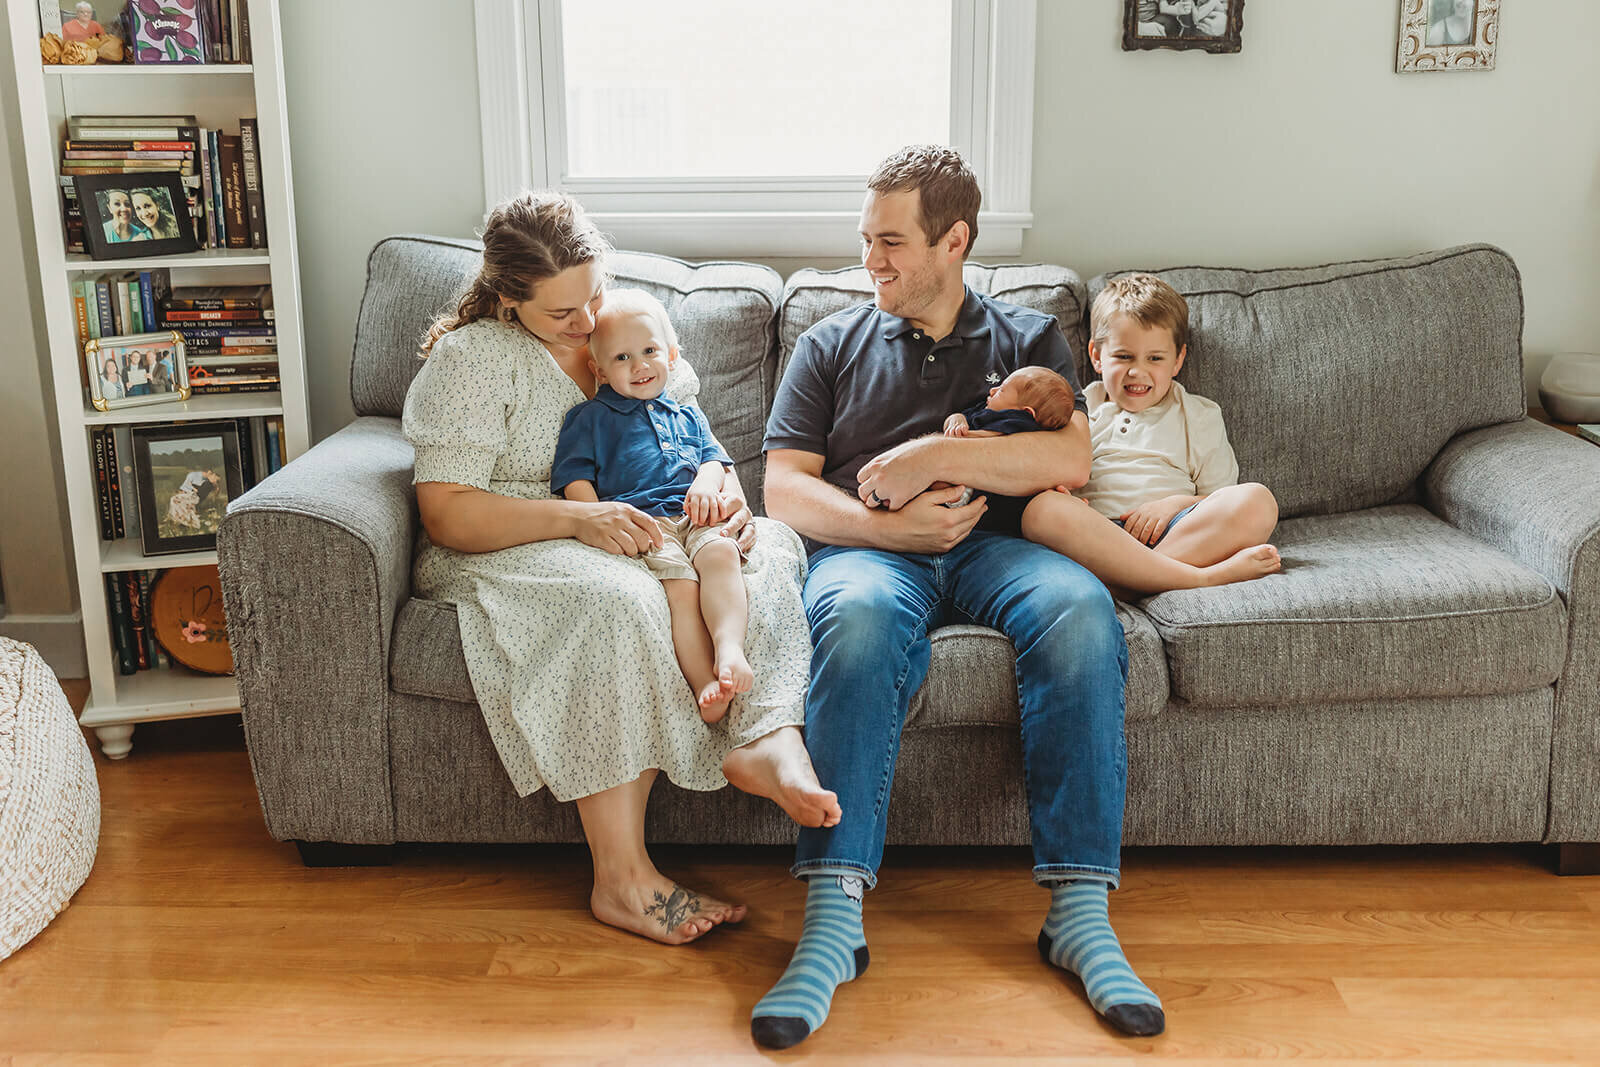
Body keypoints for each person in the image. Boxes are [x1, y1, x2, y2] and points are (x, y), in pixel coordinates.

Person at [755, 144, 1164, 1049]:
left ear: (955, 240)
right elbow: (784, 487)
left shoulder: (1030, 340)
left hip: (1004, 548)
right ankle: (833, 917)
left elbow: (1069, 460)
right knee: (854, 622)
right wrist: (888, 528)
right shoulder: (831, 342)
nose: (872, 261)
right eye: (866, 240)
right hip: (874, 553)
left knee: (1081, 612)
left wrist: (934, 456)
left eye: (891, 242)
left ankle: (1080, 912)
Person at [402, 191, 841, 947]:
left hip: (652, 520)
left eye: (593, 294)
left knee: (766, 550)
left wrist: (725, 495)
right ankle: (622, 878)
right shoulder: (472, 358)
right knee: (622, 603)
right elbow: (447, 513)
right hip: (512, 536)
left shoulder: (629, 328)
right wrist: (578, 516)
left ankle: (761, 733)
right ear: (509, 300)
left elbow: (701, 448)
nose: (587, 323)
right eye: (561, 313)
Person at [552, 290, 756, 724]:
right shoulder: (588, 418)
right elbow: (574, 479)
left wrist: (705, 484)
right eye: (622, 357)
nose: (640, 365)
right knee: (681, 590)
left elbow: (715, 460)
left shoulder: (687, 414)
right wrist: (597, 526)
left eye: (649, 351)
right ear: (599, 371)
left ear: (672, 355)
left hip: (696, 513)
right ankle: (705, 683)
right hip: (646, 524)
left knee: (721, 554)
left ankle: (729, 649)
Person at [1011, 277, 1282, 599]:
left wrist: (1172, 505)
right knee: (1040, 511)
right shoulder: (1077, 410)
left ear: (1178, 360)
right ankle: (1199, 578)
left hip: (1177, 530)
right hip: (1100, 538)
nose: (1137, 372)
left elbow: (1218, 496)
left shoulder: (1198, 415)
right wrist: (1061, 494)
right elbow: (1047, 471)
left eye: (1155, 358)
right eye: (1124, 357)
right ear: (1097, 356)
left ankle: (1124, 585)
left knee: (1257, 500)